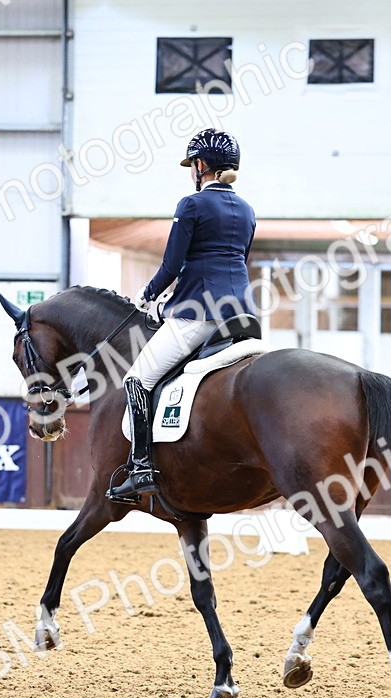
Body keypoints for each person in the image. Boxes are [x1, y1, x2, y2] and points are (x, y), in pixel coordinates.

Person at [106, 128, 257, 503]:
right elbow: (233, 260)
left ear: (200, 165)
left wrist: (149, 294)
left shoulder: (191, 205)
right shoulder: (248, 209)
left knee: (137, 379)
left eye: (193, 164)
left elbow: (173, 263)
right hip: (242, 317)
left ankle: (140, 469)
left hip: (198, 314)